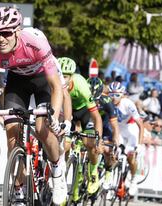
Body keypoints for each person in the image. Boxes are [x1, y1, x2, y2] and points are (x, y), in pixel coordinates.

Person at [0, 7, 66, 205]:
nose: (0, 39)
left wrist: (53, 115)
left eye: (6, 33)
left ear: (17, 31)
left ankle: (57, 169)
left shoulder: (36, 43)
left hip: (42, 81)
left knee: (42, 129)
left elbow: (56, 86)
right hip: (17, 82)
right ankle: (19, 188)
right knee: (11, 132)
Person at [57, 57, 103, 199]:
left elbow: (96, 117)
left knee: (88, 143)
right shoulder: (55, 81)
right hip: (67, 112)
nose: (61, 79)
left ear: (71, 77)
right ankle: (61, 182)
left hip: (84, 112)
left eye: (65, 76)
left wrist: (98, 140)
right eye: (60, 75)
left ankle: (94, 171)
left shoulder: (81, 85)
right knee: (64, 146)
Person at [108, 81, 144, 196]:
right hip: (119, 129)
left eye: (117, 95)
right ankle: (110, 183)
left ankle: (134, 179)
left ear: (122, 95)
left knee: (131, 156)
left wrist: (140, 144)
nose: (114, 98)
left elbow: (140, 124)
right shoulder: (108, 103)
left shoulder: (128, 103)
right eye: (111, 95)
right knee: (115, 153)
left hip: (131, 129)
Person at [89, 77, 120, 190]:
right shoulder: (84, 97)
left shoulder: (107, 101)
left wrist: (116, 140)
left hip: (105, 124)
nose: (95, 102)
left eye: (96, 100)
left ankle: (108, 171)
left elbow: (115, 125)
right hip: (89, 122)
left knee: (107, 150)